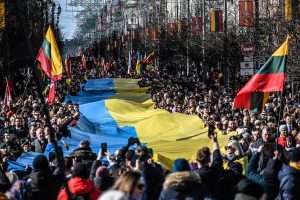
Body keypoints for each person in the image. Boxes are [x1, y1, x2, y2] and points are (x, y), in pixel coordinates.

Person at [193, 133, 223, 198]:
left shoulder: (193, 175)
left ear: (197, 160)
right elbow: (217, 157)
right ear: (209, 160)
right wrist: (215, 142)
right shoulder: (215, 170)